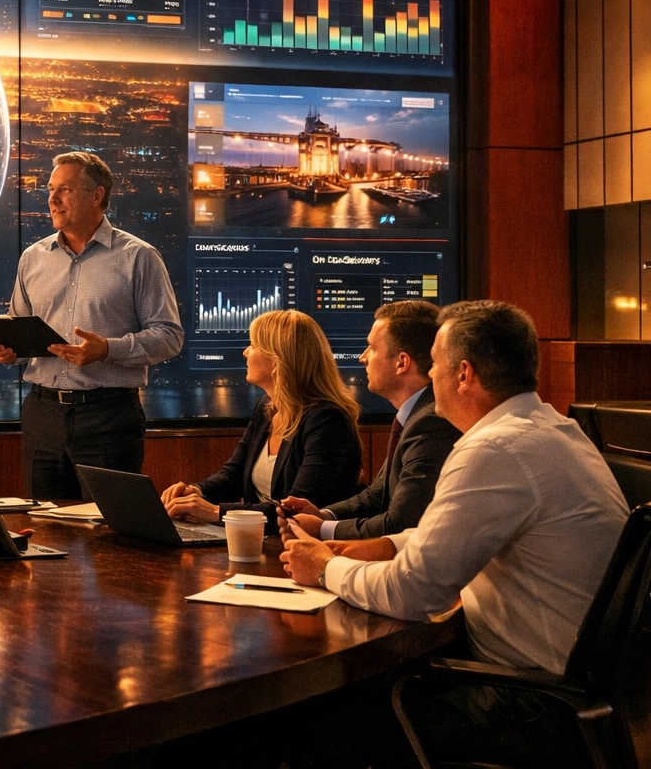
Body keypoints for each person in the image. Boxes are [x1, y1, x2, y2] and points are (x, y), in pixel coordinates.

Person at [281, 300, 628, 767]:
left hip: (529, 705)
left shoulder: (494, 448)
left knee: (313, 720)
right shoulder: (553, 430)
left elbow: (413, 591)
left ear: (463, 374)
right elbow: (455, 532)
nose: (431, 379)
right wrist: (378, 546)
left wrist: (326, 567)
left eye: (437, 366)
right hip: (582, 698)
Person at [0, 151, 184, 499]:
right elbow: (20, 330)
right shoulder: (33, 258)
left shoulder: (138, 257)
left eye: (65, 189)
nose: (52, 199)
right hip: (41, 414)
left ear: (97, 195)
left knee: (109, 534)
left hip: (107, 417)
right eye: (50, 189)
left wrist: (107, 349)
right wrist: (7, 350)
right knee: (44, 526)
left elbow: (169, 336)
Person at [161, 309, 361, 528]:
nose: (246, 352)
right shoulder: (267, 408)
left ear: (277, 361)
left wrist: (215, 511)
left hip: (304, 545)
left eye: (253, 345)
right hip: (258, 540)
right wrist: (196, 491)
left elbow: (295, 508)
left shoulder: (328, 420)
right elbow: (233, 475)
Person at [278, 300, 460, 539]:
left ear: (401, 363)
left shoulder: (431, 423)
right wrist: (324, 516)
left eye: (372, 348)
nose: (363, 357)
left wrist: (322, 530)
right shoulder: (416, 415)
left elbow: (401, 523)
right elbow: (377, 494)